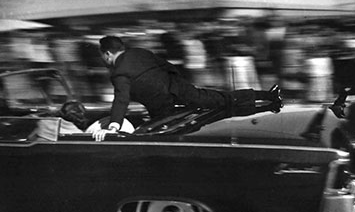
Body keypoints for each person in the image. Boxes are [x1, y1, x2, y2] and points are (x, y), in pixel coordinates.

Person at [93, 35, 283, 141]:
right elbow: (167, 65)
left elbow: (121, 99)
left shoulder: (118, 72)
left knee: (170, 135)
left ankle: (267, 105)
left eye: (103, 56)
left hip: (161, 107)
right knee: (221, 100)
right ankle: (268, 96)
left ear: (108, 54)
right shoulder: (140, 52)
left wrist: (113, 125)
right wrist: (178, 85)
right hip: (178, 88)